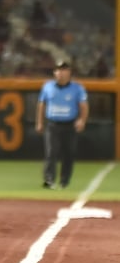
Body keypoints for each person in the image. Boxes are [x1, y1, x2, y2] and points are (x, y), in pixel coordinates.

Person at [35, 59, 88, 189]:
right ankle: (49, 180)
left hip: (69, 125)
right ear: (54, 72)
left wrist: (82, 120)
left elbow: (84, 106)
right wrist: (40, 122)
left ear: (69, 72)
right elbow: (41, 105)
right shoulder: (47, 86)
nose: (61, 73)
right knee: (51, 152)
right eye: (58, 70)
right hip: (53, 124)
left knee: (68, 153)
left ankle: (64, 180)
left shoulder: (77, 88)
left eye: (64, 70)